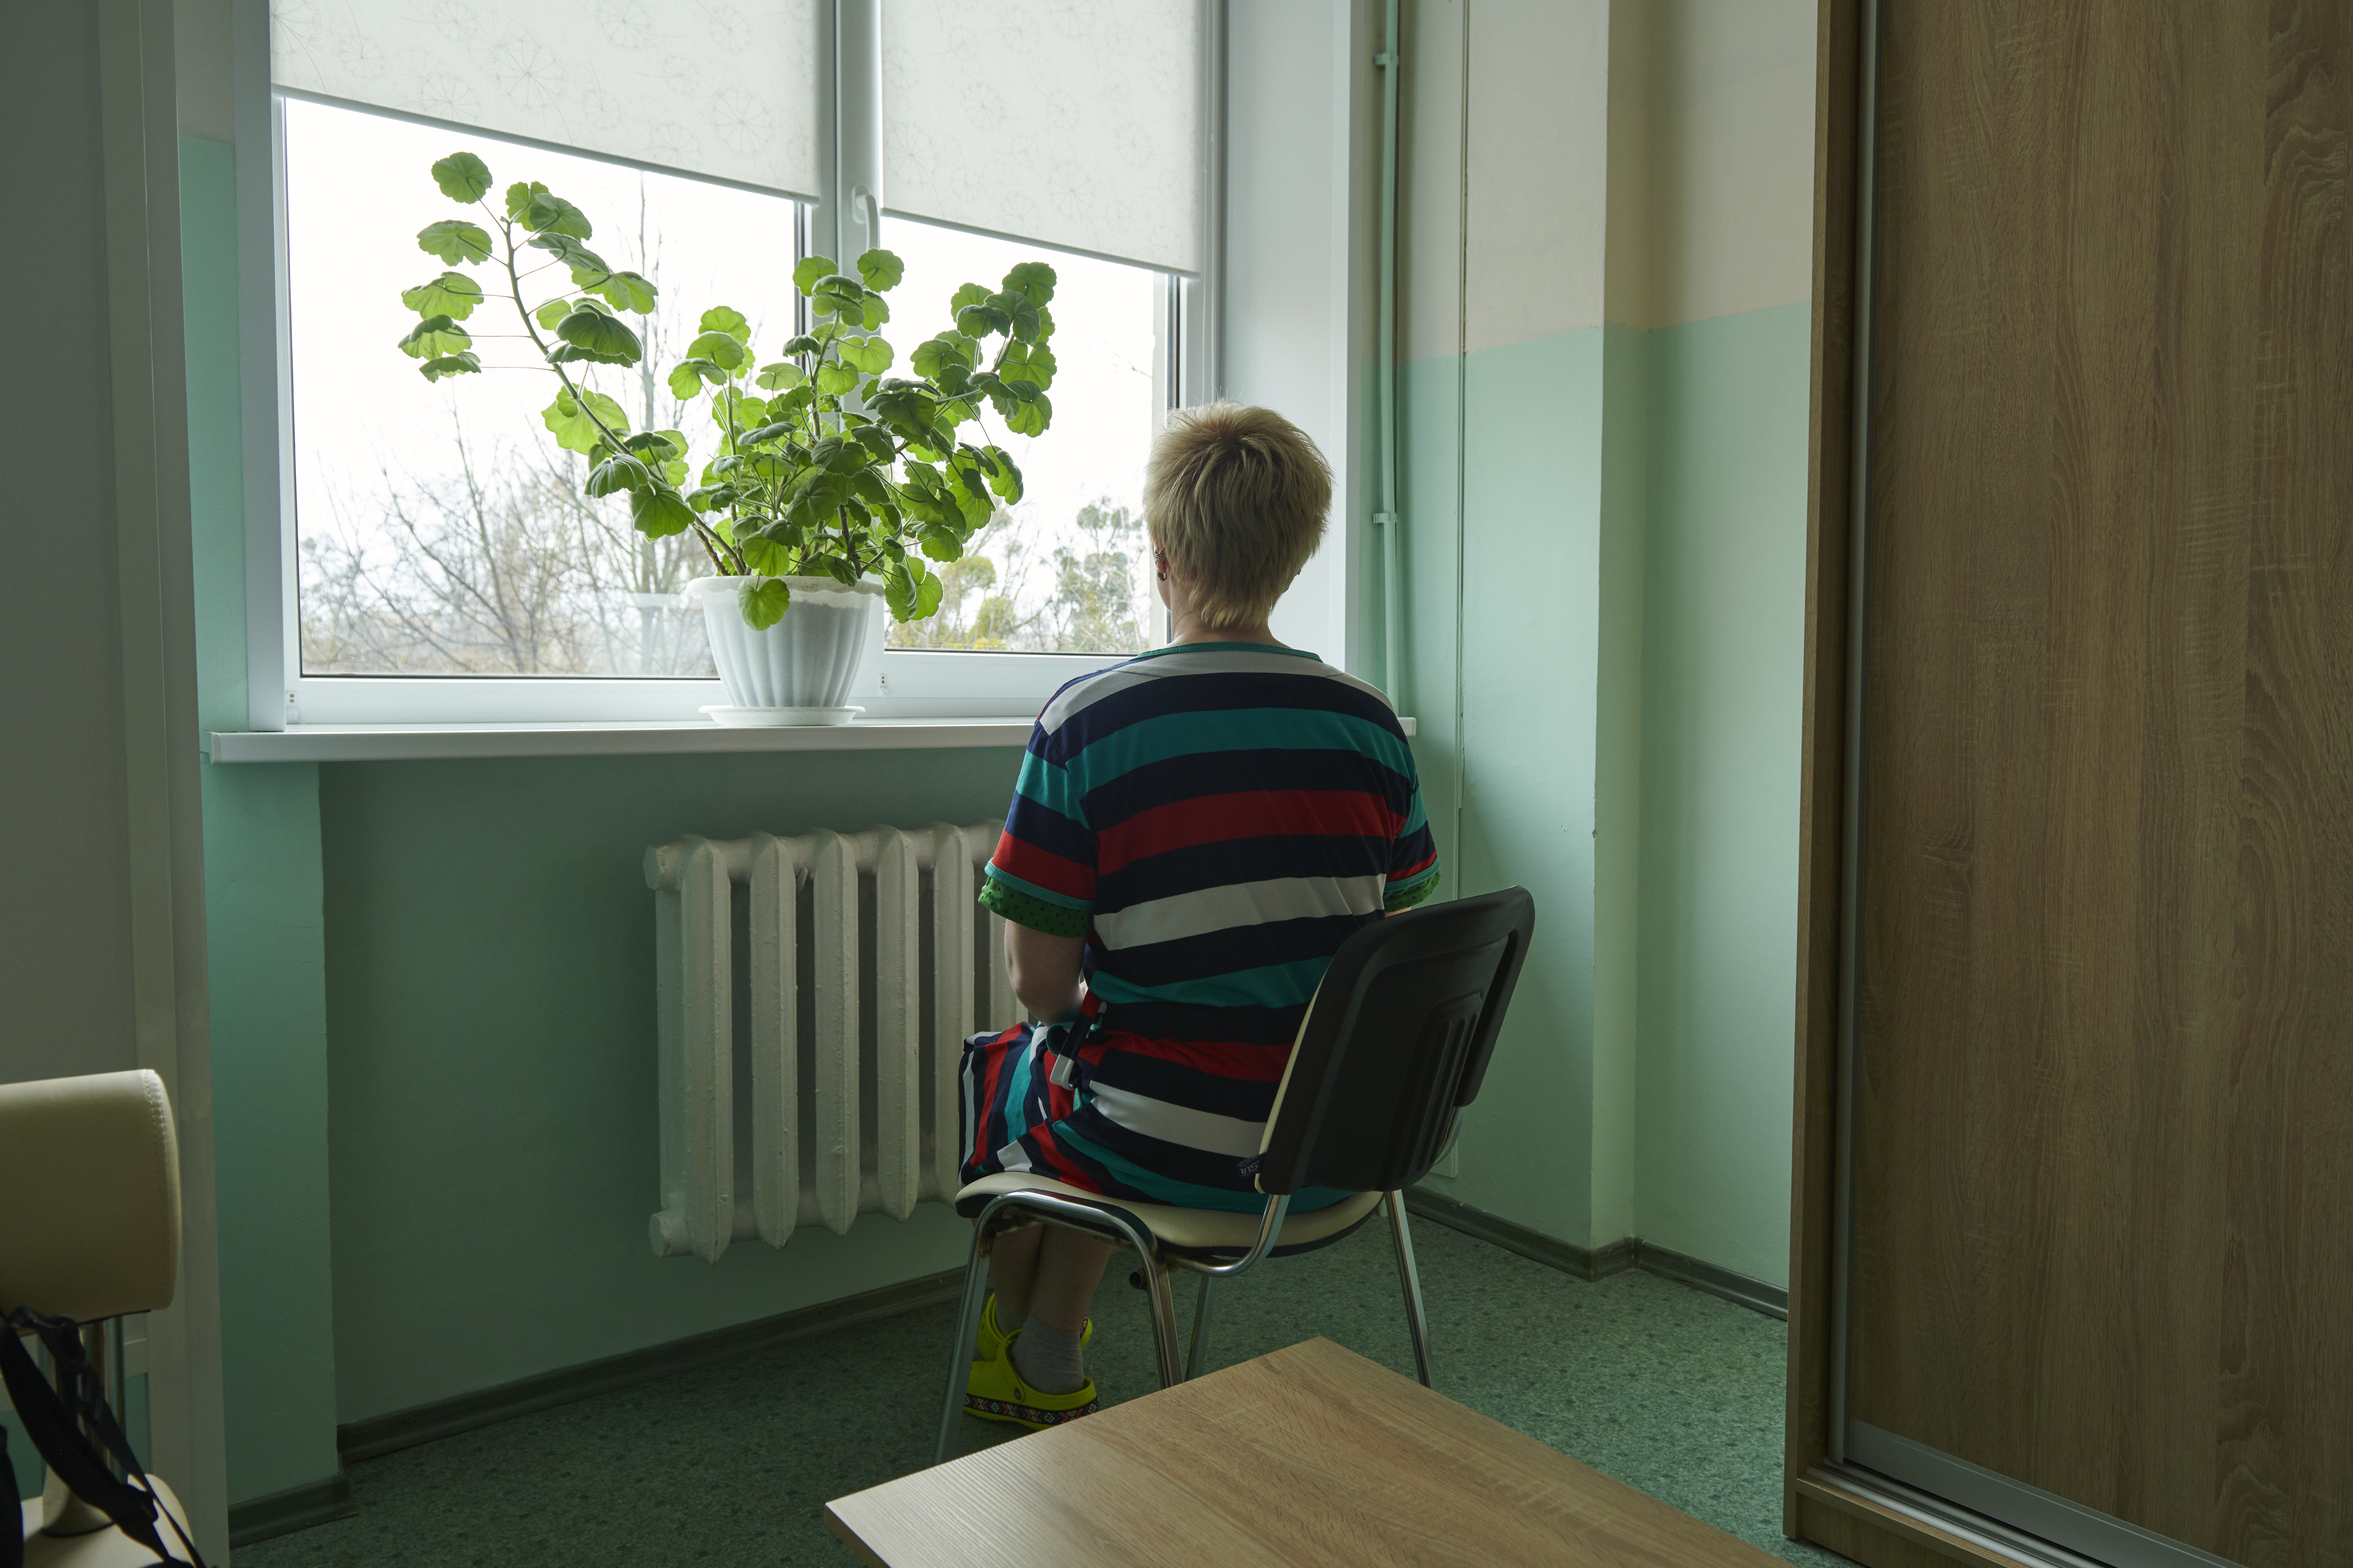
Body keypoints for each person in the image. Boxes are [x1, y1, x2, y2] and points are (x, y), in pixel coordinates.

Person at [958, 402, 1442, 1428]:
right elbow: (1396, 931)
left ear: (1161, 554)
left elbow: (1038, 986)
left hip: (1165, 1147)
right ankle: (1042, 1342)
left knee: (1017, 1066)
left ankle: (1029, 1342)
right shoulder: (1370, 725)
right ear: (1296, 553)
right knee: (1105, 1064)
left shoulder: (1085, 722)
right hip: (1337, 1144)